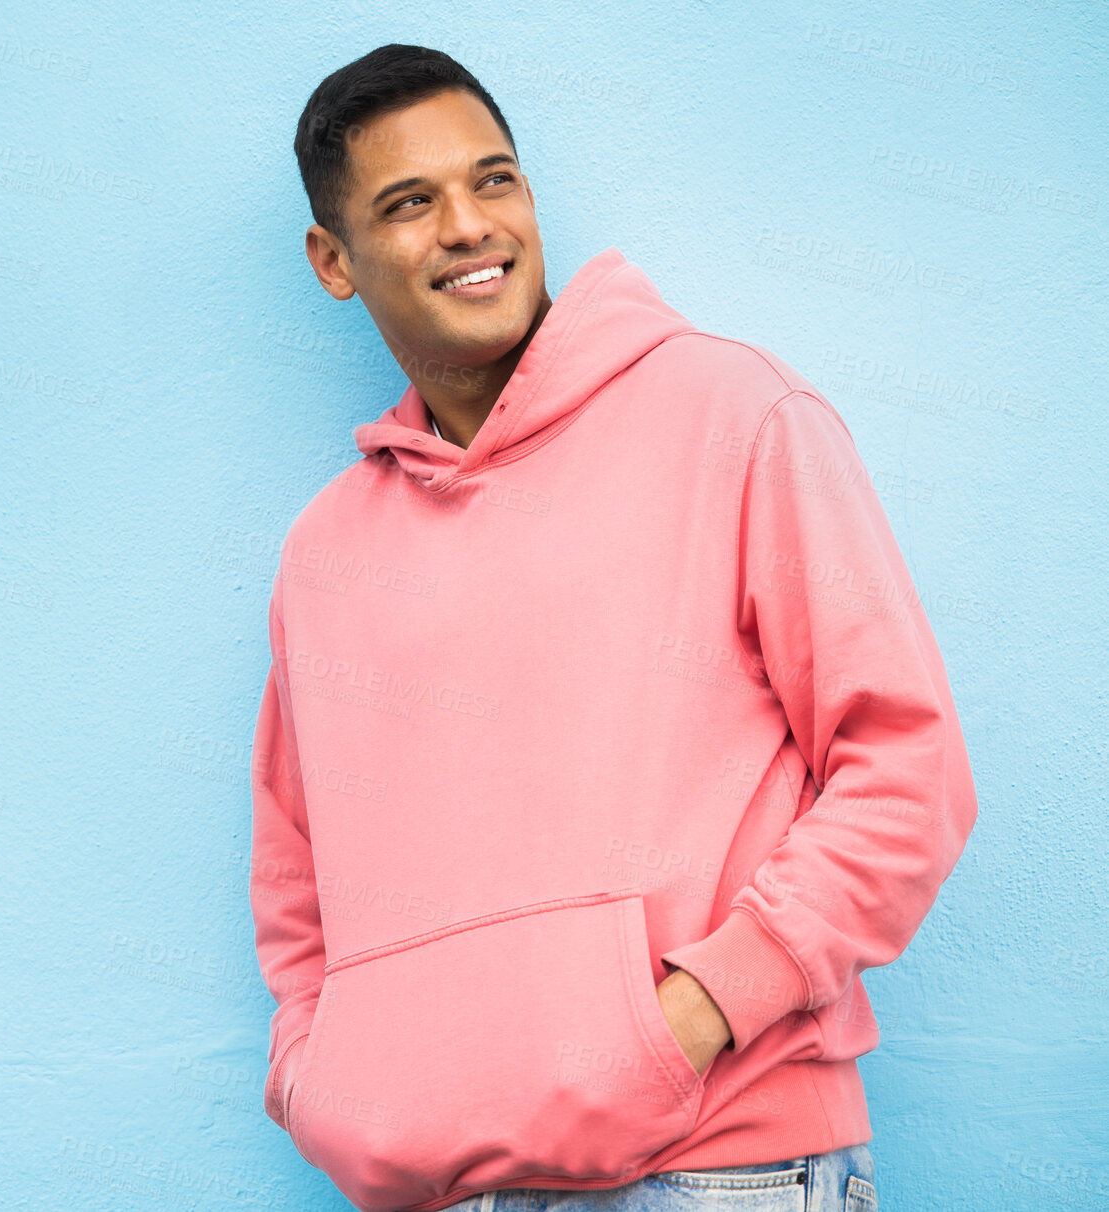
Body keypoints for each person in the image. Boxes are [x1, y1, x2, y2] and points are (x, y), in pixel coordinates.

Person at [247, 44, 976, 1212]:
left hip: (723, 1166)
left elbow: (908, 772)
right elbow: (296, 874)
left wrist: (694, 1013)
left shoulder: (732, 416)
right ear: (334, 261)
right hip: (434, 1187)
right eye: (410, 202)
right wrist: (319, 1078)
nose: (470, 227)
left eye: (494, 181)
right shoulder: (325, 552)